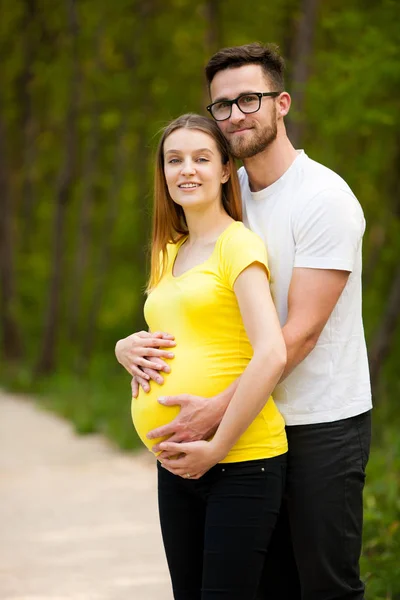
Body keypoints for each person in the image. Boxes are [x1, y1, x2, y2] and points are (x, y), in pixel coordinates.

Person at [116, 44, 372, 599]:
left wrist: (219, 409)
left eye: (249, 99)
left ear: (281, 103)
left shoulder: (323, 198)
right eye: (222, 106)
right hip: (256, 424)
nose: (235, 114)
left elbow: (300, 333)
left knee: (325, 585)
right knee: (271, 587)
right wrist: (129, 345)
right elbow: (200, 309)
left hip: (319, 421)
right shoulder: (230, 199)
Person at [125, 112, 288, 599]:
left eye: (201, 158)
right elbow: (177, 333)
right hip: (175, 464)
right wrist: (123, 348)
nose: (186, 170)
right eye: (174, 160)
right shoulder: (167, 252)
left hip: (240, 461)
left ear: (224, 170)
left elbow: (272, 354)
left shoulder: (238, 245)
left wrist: (216, 448)